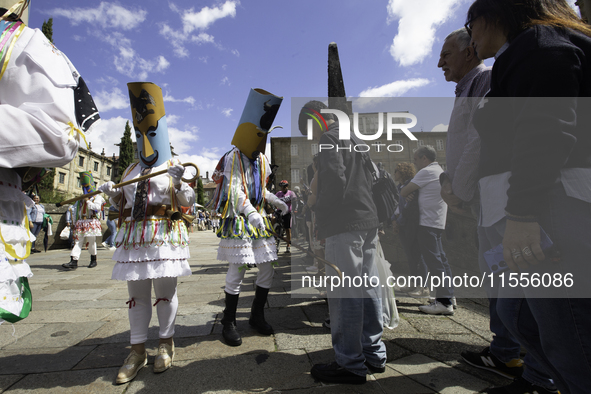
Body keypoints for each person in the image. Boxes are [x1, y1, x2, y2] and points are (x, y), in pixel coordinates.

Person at [466, 1, 591, 393]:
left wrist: (523, 215)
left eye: (470, 25)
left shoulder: (538, 44)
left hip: (550, 206)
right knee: (519, 316)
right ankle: (543, 378)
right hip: (543, 204)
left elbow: (546, 132)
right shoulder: (531, 48)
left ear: (495, 16)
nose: (471, 36)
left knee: (571, 339)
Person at [0, 0, 100, 325]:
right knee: (82, 241)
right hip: (82, 220)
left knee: (88, 242)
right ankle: (80, 260)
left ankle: (89, 260)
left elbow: (61, 135)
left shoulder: (22, 42)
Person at [98, 82, 195, 383]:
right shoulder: (129, 170)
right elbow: (123, 202)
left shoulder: (174, 165)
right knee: (136, 296)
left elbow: (189, 201)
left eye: (151, 134)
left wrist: (179, 183)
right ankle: (137, 351)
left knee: (165, 294)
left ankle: (165, 344)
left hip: (164, 233)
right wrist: (110, 194)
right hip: (134, 237)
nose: (146, 143)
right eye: (141, 135)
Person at [300, 100, 386, 385]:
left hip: (344, 223)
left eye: (308, 131)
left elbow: (335, 181)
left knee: (345, 293)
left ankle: (350, 363)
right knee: (369, 287)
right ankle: (374, 353)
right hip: (367, 220)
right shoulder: (354, 136)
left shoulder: (329, 137)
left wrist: (316, 206)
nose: (311, 138)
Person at [210, 88, 287, 347]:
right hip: (241, 219)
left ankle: (257, 314)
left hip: (259, 219)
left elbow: (260, 189)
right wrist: (251, 212)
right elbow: (234, 189)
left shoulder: (262, 159)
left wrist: (276, 200)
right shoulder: (233, 157)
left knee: (268, 268)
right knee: (239, 269)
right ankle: (228, 321)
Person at [400, 146, 453, 315]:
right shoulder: (439, 170)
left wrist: (411, 193)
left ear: (424, 158)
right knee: (442, 261)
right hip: (436, 221)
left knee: (434, 263)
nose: (414, 162)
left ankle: (444, 302)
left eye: (415, 159)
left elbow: (403, 191)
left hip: (426, 223)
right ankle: (449, 297)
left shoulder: (427, 171)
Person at [391, 162, 427, 295]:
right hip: (402, 223)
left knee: (418, 255)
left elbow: (408, 207)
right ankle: (413, 283)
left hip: (410, 224)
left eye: (396, 170)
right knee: (410, 255)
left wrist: (397, 222)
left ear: (402, 172)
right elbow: (394, 206)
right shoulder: (398, 187)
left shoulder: (411, 186)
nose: (394, 173)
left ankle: (423, 286)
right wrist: (393, 221)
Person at [61, 172, 105, 270]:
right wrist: (73, 222)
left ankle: (93, 259)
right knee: (77, 241)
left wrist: (87, 201)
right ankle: (74, 261)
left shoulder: (97, 197)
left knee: (91, 242)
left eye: (87, 186)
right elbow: (75, 209)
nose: (85, 188)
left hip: (91, 221)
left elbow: (97, 208)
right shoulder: (80, 198)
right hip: (81, 222)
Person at [275, 180, 296, 253]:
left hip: (287, 213)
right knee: (274, 221)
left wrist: (294, 209)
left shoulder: (291, 193)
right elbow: (274, 200)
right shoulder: (278, 193)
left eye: (284, 187)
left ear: (287, 186)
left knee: (288, 229)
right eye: (281, 187)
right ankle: (276, 242)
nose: (282, 188)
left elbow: (295, 200)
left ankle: (288, 245)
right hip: (279, 212)